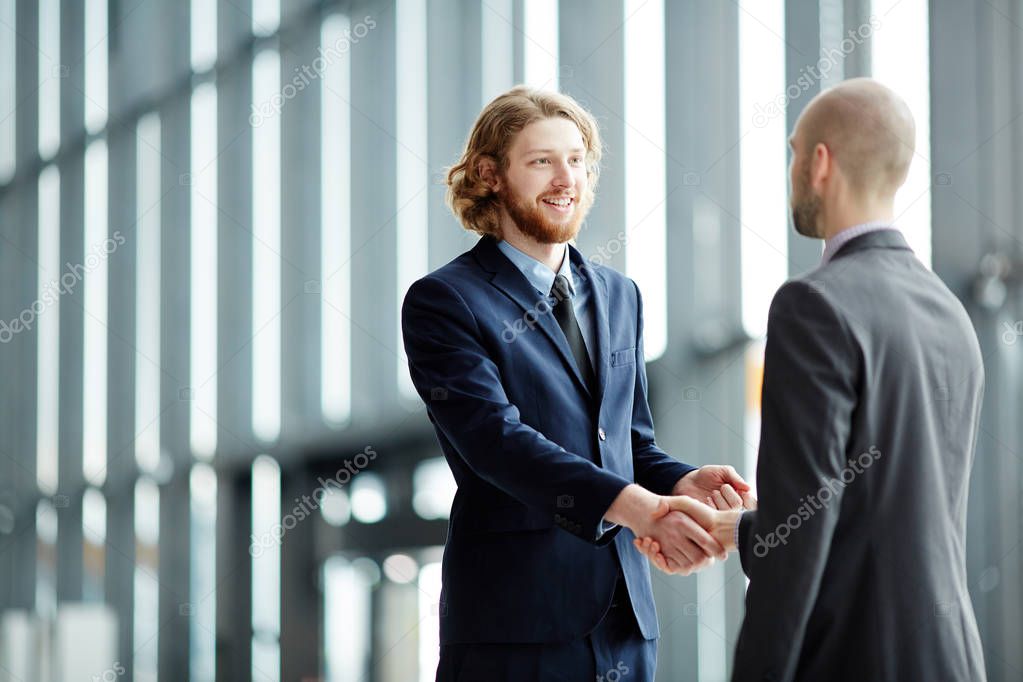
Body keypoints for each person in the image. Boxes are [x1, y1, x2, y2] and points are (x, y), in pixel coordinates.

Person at [637, 78, 987, 681]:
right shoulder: (947, 310)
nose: (793, 170)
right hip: (948, 656)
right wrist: (747, 530)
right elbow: (869, 512)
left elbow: (801, 546)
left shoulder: (813, 305)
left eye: (795, 153)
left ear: (820, 163)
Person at [401, 86, 752, 681]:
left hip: (625, 624)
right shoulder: (445, 300)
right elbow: (495, 442)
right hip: (514, 628)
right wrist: (641, 509)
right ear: (490, 175)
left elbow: (626, 443)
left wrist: (678, 480)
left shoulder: (620, 295)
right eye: (542, 161)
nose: (567, 178)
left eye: (577, 159)